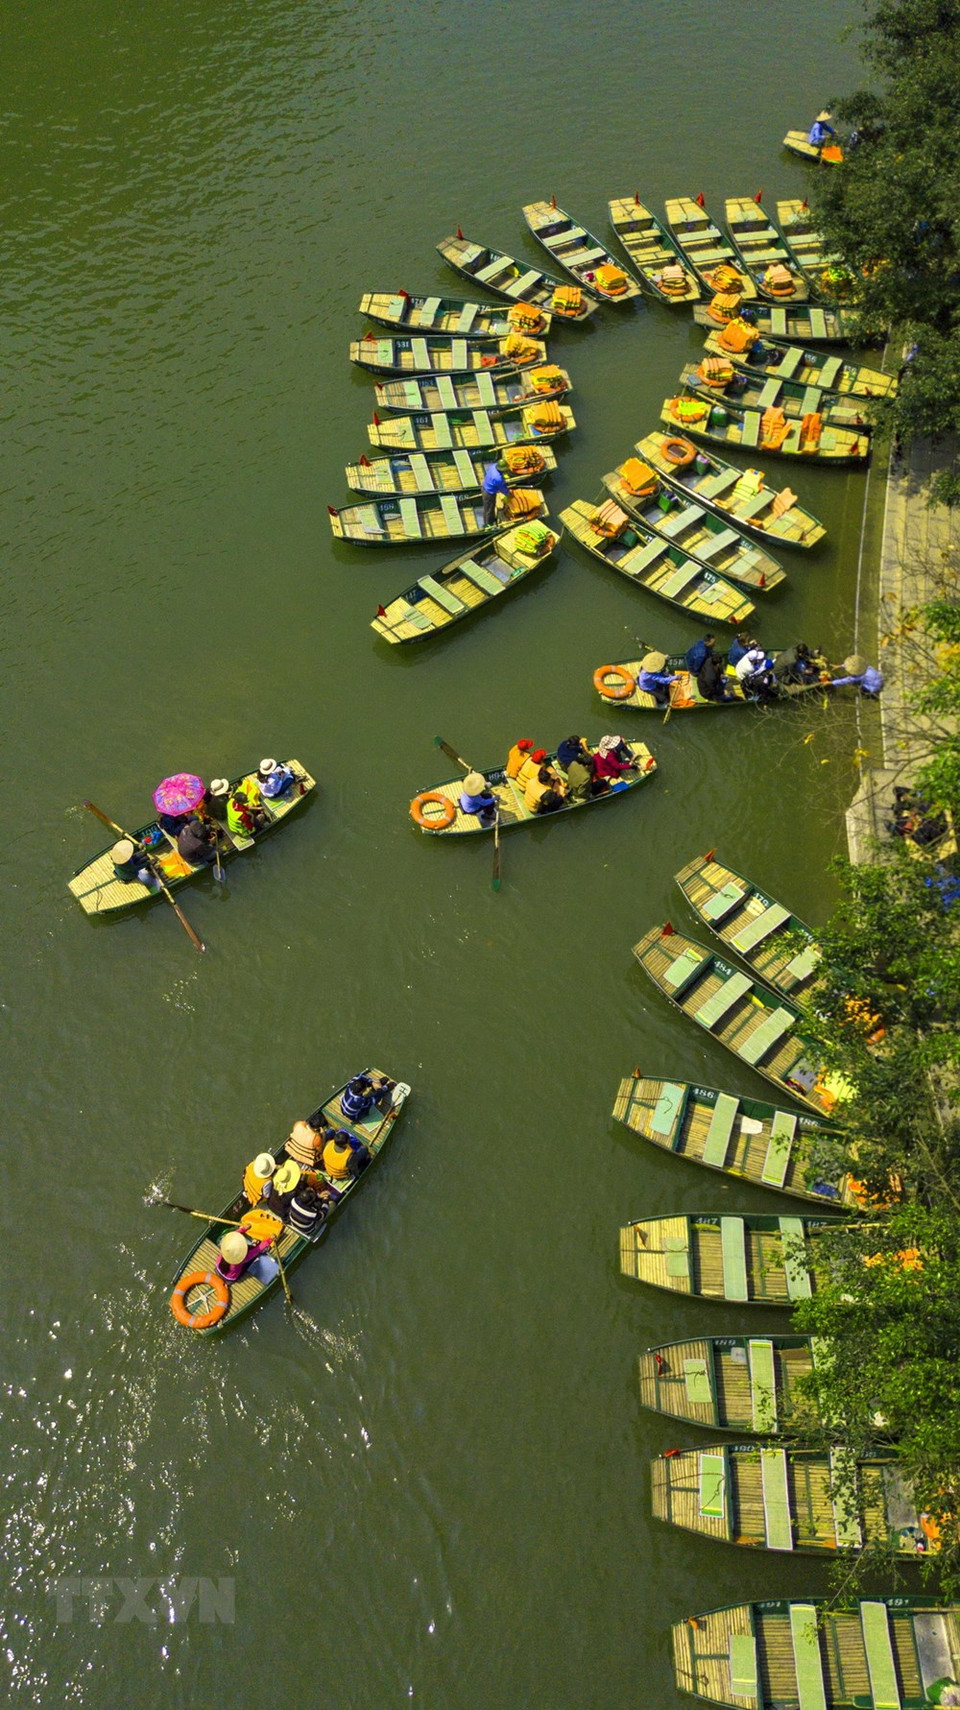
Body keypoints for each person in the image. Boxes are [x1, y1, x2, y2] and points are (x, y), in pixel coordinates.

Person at [481, 461, 510, 526]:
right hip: (489, 493)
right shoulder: (497, 478)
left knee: (489, 507)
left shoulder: (494, 466)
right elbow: (503, 489)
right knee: (489, 509)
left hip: (485, 486)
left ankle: (491, 519)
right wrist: (509, 494)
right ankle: (488, 524)